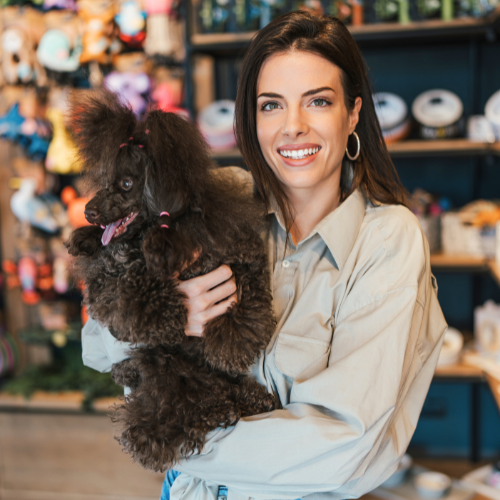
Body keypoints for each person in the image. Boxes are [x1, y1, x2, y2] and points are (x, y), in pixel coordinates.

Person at [81, 10, 447, 500]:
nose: (293, 127)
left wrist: (182, 442)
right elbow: (96, 346)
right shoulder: (220, 200)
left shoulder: (387, 240)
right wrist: (167, 315)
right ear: (251, 119)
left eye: (318, 101)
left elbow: (343, 446)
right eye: (271, 105)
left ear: (353, 112)